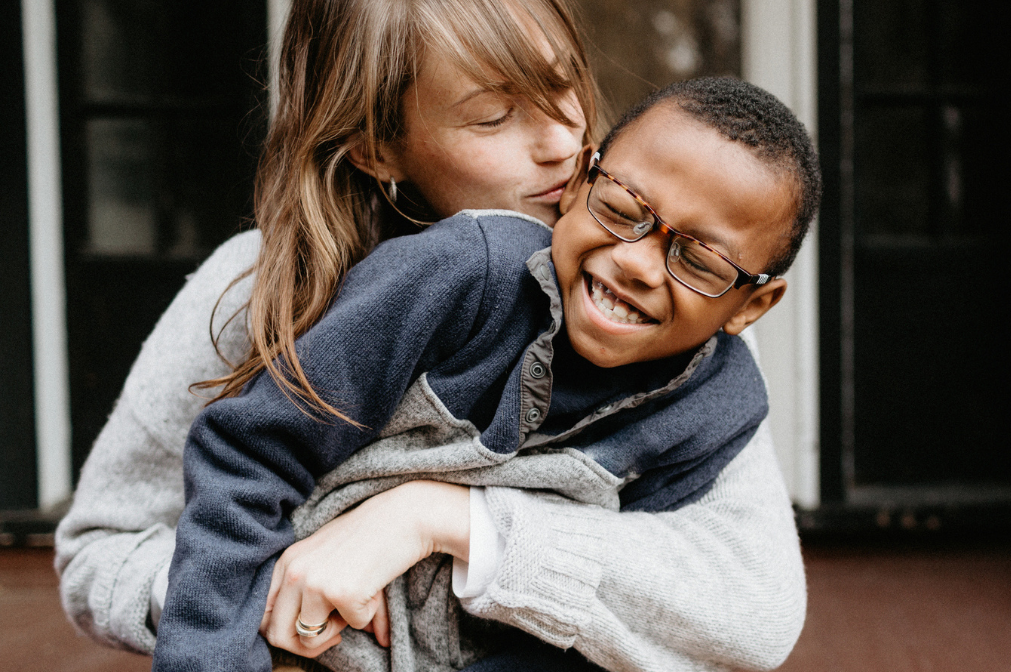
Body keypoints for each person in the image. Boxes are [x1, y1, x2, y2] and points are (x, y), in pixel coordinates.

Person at [54, 1, 807, 670]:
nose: (559, 142)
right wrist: (268, 608)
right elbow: (100, 550)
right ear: (379, 145)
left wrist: (440, 522)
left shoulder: (683, 323)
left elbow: (748, 606)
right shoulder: (253, 290)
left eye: (562, 85)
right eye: (493, 116)